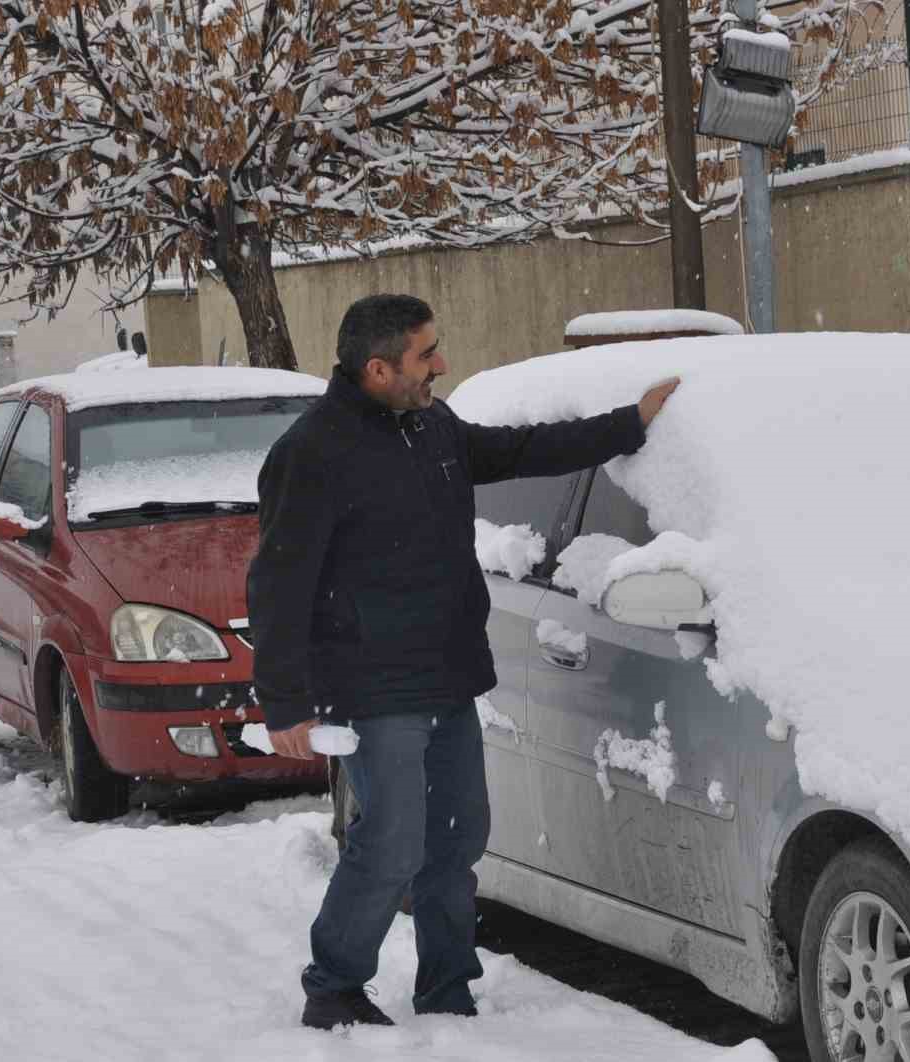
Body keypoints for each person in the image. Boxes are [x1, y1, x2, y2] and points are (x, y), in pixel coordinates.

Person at [247, 293, 678, 1030]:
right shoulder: (311, 453)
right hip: (373, 685)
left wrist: (625, 427)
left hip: (448, 672)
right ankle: (335, 985)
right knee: (390, 841)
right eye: (426, 354)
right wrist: (284, 702)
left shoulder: (429, 424)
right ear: (377, 369)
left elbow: (515, 451)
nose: (442, 364)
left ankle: (446, 986)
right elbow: (277, 582)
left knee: (459, 835)